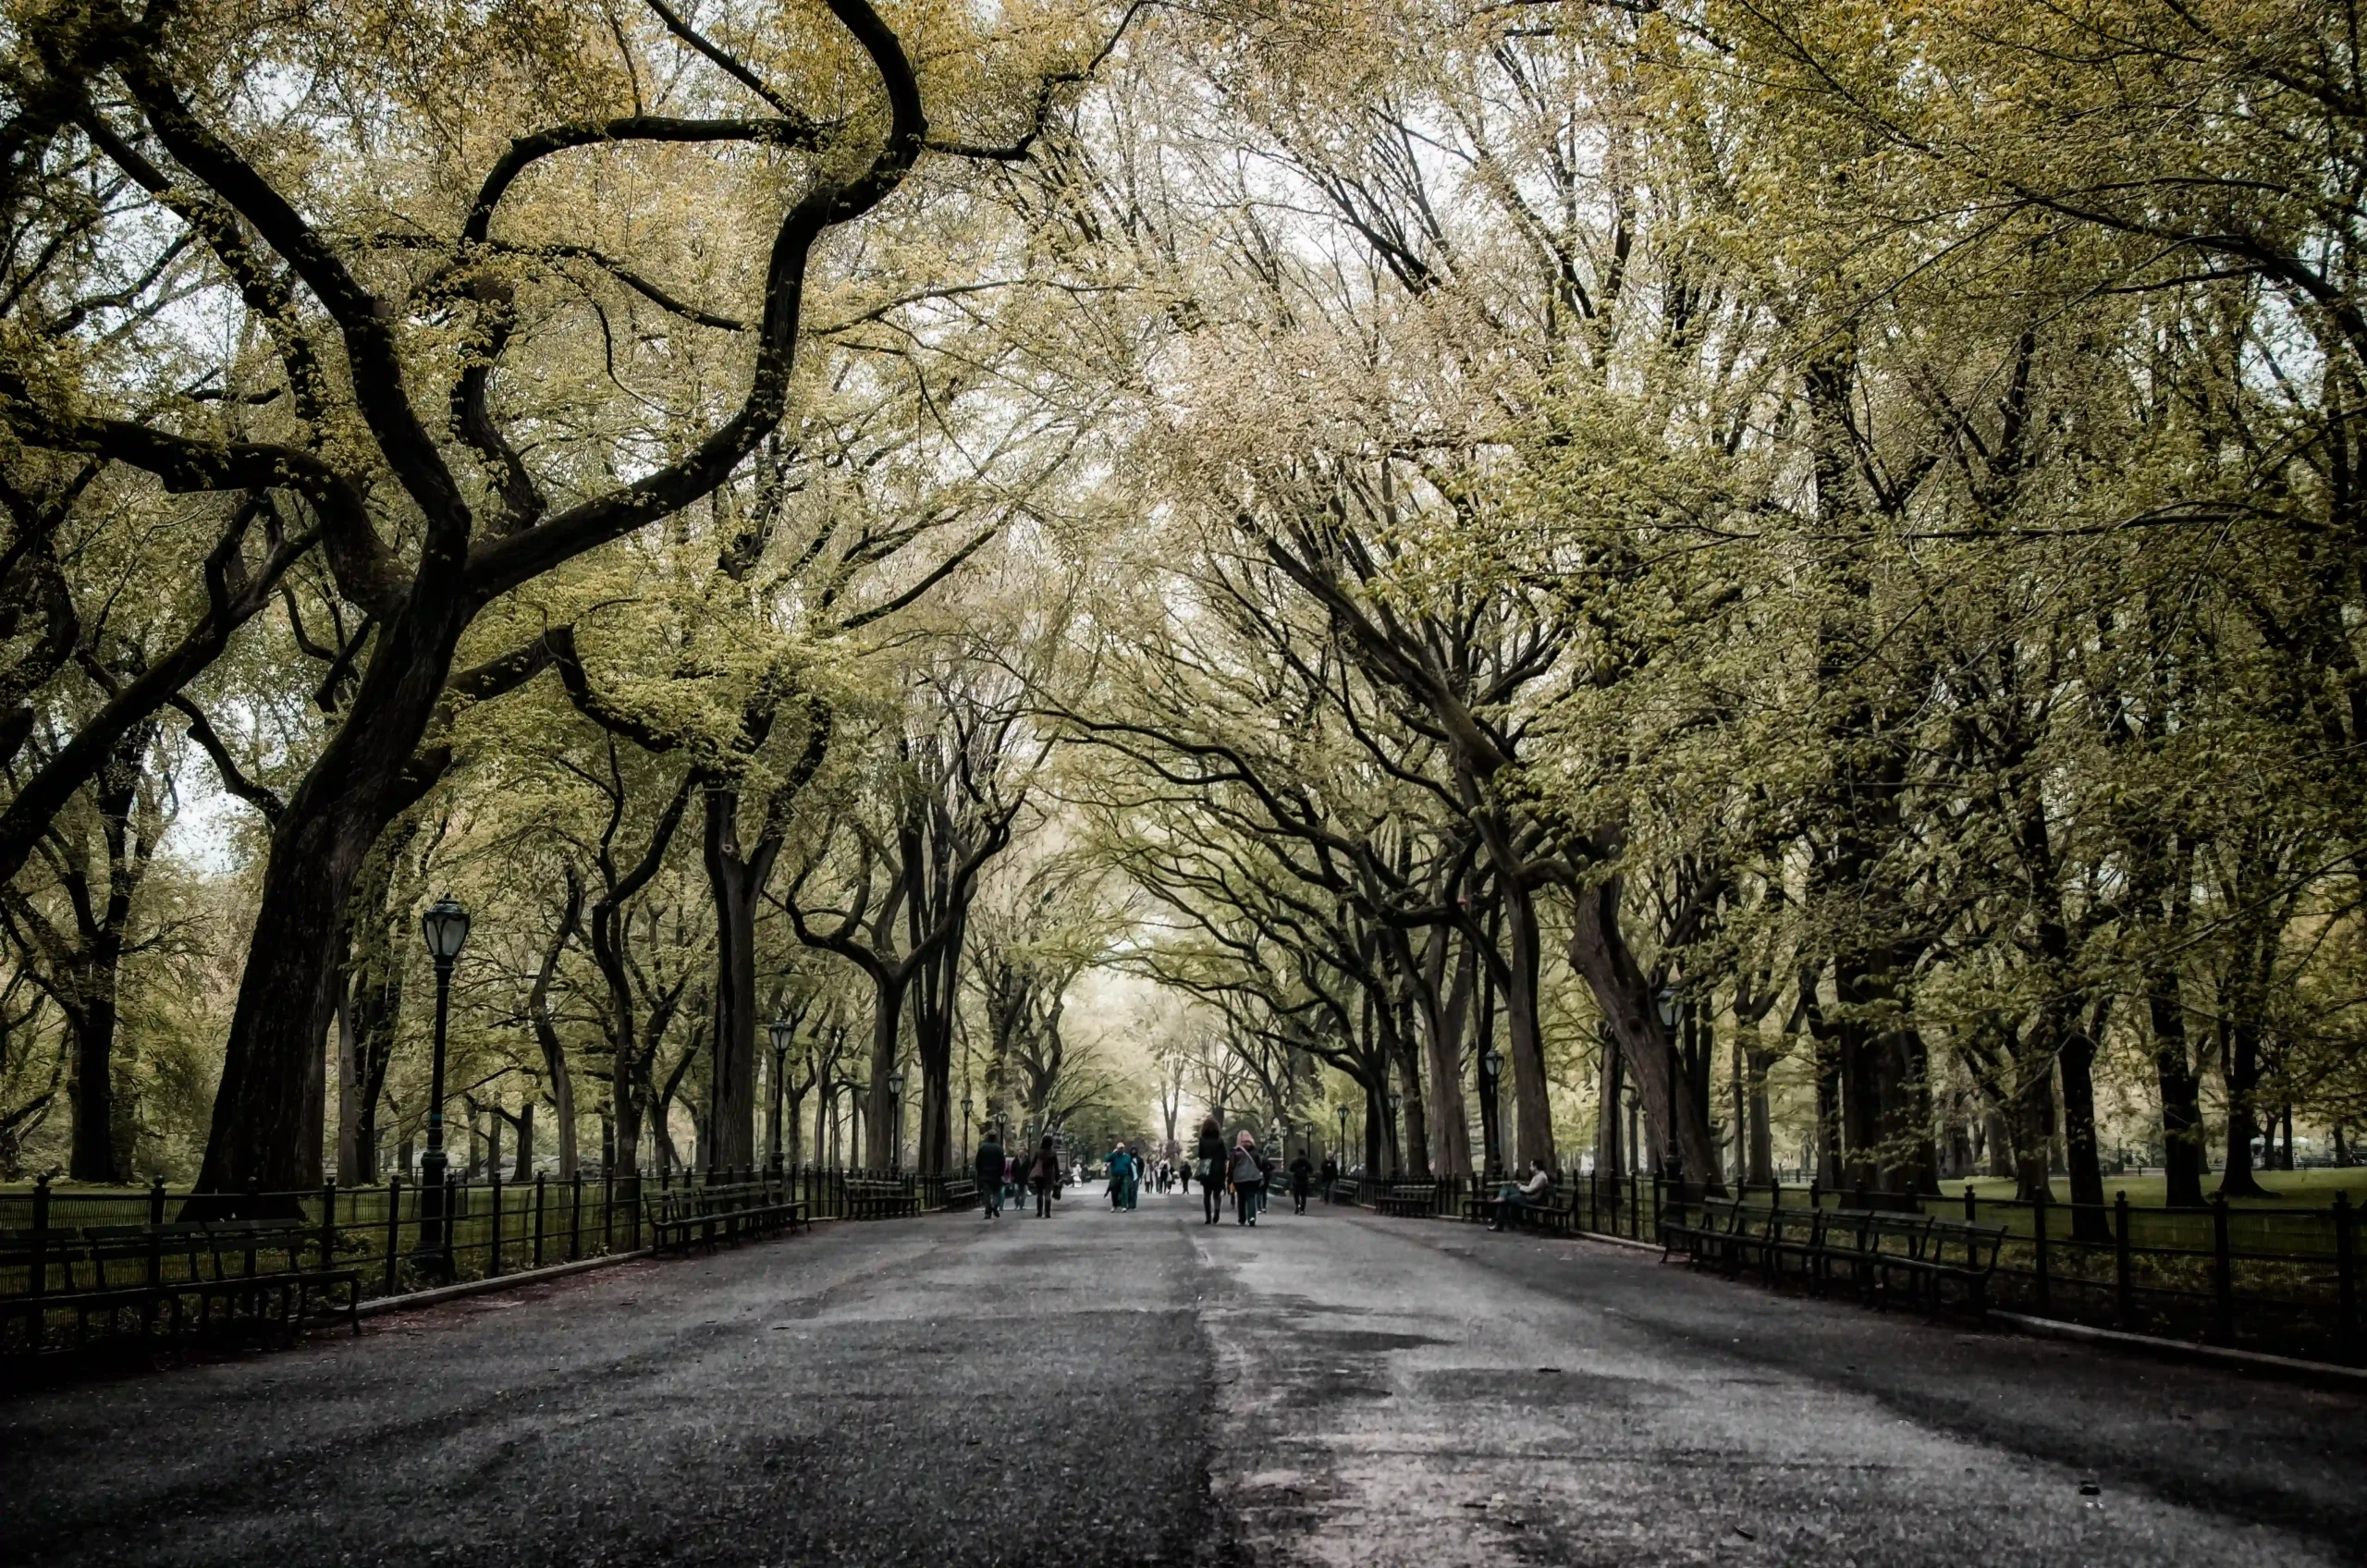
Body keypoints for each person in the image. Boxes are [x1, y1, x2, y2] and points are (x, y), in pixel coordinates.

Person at [1490, 1159, 1554, 1231]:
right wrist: (1521, 1186)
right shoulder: (1538, 1176)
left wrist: (1520, 1186)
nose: (1530, 1168)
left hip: (1530, 1198)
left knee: (1506, 1200)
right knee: (1506, 1188)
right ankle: (1501, 1197)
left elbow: (1531, 1190)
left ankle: (1499, 1225)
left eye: (1531, 1166)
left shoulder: (1541, 1177)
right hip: (1527, 1195)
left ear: (1535, 1166)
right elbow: (1531, 1188)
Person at [1229, 1131, 1265, 1226]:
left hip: (1239, 1178)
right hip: (1253, 1177)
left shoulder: (1236, 1152)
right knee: (1251, 1197)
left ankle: (1242, 1219)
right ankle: (1252, 1217)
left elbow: (1231, 1166)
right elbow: (1260, 1164)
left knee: (1241, 1198)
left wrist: (1229, 1178)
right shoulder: (1255, 1152)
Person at [1194, 1116, 1226, 1224]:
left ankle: (1208, 1216)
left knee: (1207, 1194)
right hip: (1218, 1170)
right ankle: (1217, 1212)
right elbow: (1225, 1156)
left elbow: (1200, 1155)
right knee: (1217, 1194)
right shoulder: (1220, 1141)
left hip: (1206, 1170)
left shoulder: (1202, 1140)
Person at [975, 1125, 1005, 1219]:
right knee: (997, 1193)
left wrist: (979, 1173)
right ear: (995, 1137)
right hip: (996, 1175)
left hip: (985, 1175)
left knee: (986, 1194)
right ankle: (994, 1206)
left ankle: (988, 1212)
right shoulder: (999, 1149)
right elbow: (1002, 1162)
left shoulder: (983, 1148)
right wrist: (1001, 1173)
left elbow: (977, 1162)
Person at [1030, 1135, 1061, 1219]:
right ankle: (1047, 1212)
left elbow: (1033, 1164)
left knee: (1039, 1193)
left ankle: (1039, 1212)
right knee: (1048, 1194)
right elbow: (1056, 1167)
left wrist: (1030, 1174)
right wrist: (1057, 1178)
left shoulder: (1038, 1152)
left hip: (1039, 1175)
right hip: (1049, 1175)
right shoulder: (1053, 1153)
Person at [1288, 1149, 1314, 1215]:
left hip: (1296, 1180)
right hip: (1304, 1180)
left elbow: (1291, 1169)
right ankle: (1302, 1210)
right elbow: (1311, 1170)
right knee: (1303, 1196)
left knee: (1296, 1194)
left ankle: (1297, 1205)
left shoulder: (1295, 1161)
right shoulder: (1307, 1161)